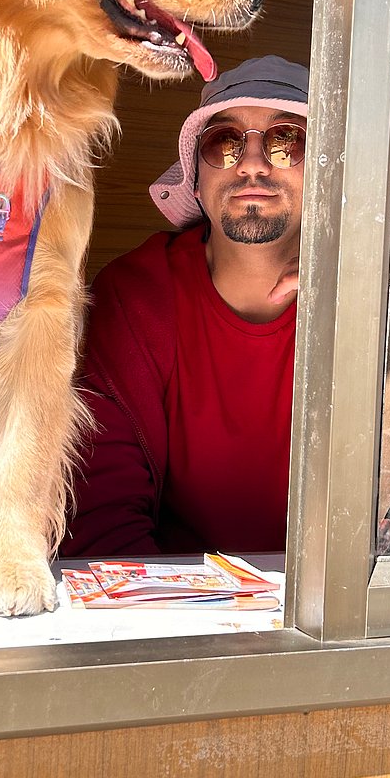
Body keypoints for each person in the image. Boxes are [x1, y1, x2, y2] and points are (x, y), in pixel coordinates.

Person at [61, 56, 309, 559]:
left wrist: (367, 287)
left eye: (288, 142)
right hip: (176, 613)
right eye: (225, 143)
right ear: (195, 179)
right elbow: (99, 524)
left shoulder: (369, 304)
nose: (254, 163)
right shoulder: (138, 296)